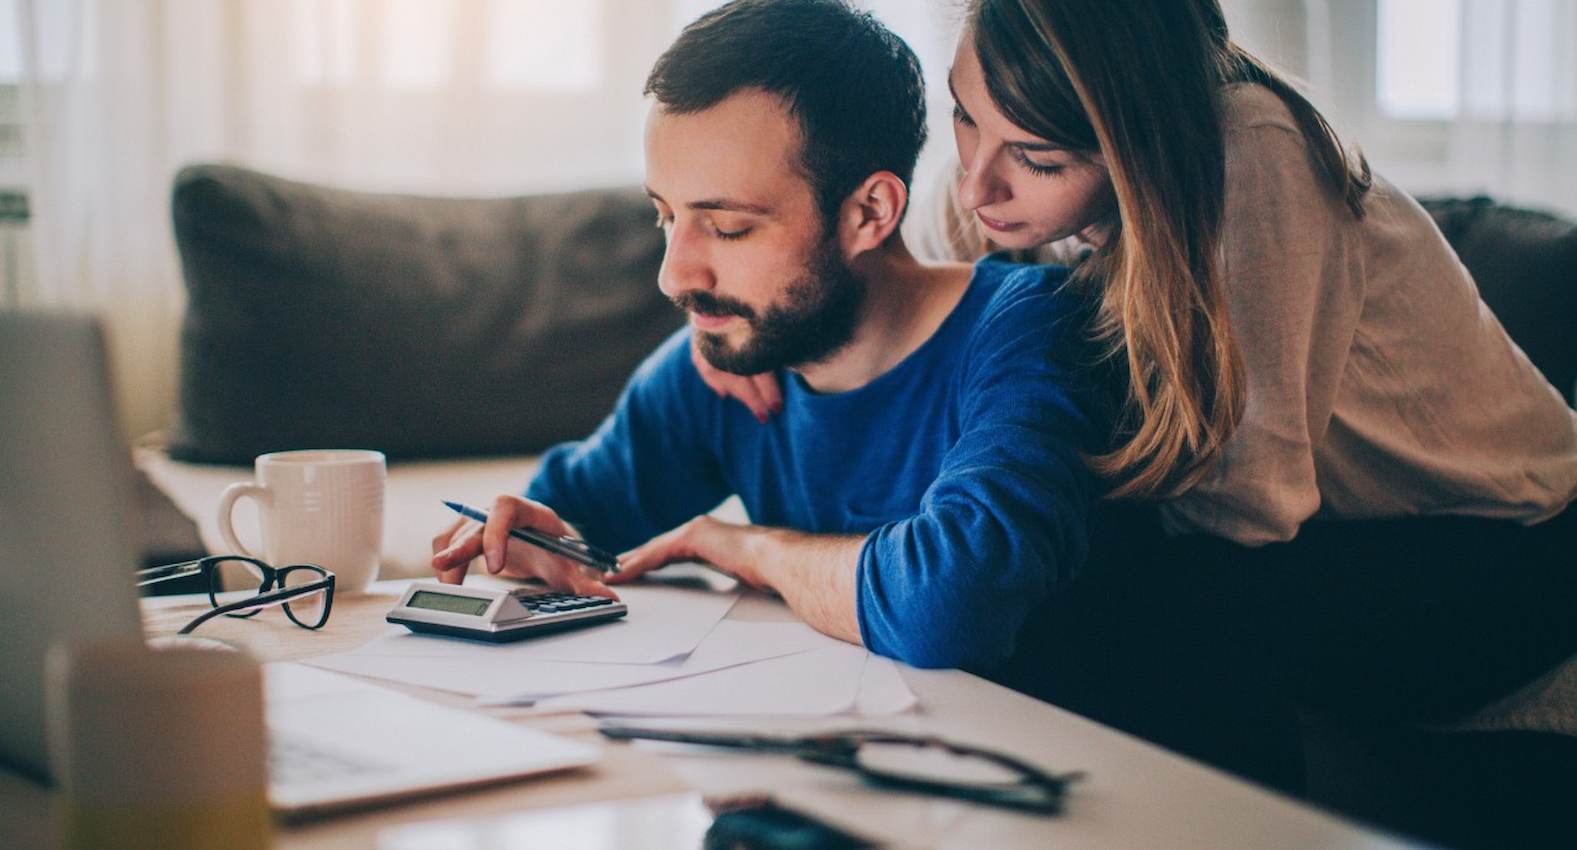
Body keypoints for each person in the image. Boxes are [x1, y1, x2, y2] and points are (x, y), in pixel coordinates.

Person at [694, 0, 1577, 792]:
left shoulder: (1250, 156)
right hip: (1324, 533)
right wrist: (744, 321)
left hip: (1505, 542)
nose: (976, 184)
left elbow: (1249, 506)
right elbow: (893, 274)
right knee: (1008, 560)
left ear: (1135, 137)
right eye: (965, 119)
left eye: (1034, 158)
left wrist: (988, 532)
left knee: (1102, 591)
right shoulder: (1002, 163)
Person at [430, 0, 1109, 673]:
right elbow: (571, 520)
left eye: (727, 227)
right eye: (666, 216)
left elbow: (951, 607)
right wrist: (525, 536)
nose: (673, 277)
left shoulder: (1030, 330)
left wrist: (747, 548)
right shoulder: (727, 360)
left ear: (868, 212)